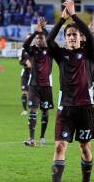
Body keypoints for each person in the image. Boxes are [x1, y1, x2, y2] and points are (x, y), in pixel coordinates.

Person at [46, 0, 94, 182]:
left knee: (84, 147)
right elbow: (49, 40)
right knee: (60, 146)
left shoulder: (89, 53)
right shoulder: (61, 55)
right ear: (65, 38)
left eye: (75, 34)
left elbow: (90, 37)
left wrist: (74, 15)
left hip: (84, 107)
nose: (72, 37)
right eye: (69, 35)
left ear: (80, 37)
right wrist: (62, 20)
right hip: (65, 107)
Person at [22, 17, 54, 146]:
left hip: (46, 86)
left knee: (45, 112)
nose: (39, 40)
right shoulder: (33, 51)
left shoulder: (50, 51)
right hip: (34, 86)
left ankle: (42, 137)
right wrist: (36, 31)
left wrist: (43, 29)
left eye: (41, 38)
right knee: (33, 110)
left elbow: (51, 39)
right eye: (37, 38)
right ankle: (31, 139)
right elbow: (25, 45)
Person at [19, 34, 32, 116]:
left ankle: (32, 109)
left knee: (32, 92)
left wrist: (32, 64)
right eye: (27, 39)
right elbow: (20, 61)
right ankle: (24, 110)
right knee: (24, 92)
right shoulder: (23, 50)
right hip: (25, 73)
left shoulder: (36, 50)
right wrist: (25, 62)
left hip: (34, 74)